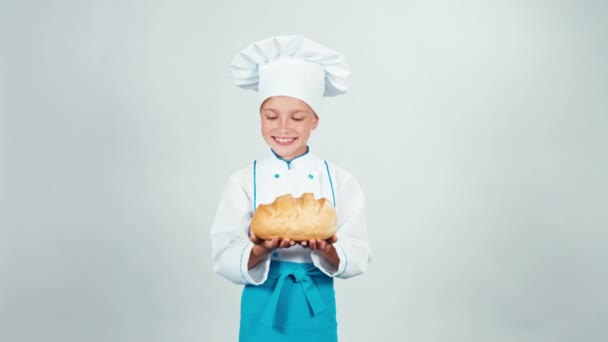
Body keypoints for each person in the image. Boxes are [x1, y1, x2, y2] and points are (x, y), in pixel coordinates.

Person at [210, 35, 372, 342]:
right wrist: (261, 249)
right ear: (260, 118)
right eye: (271, 117)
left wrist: (328, 250)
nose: (283, 128)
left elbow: (358, 251)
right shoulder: (243, 180)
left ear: (315, 121)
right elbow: (224, 253)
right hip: (263, 297)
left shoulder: (339, 180)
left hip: (315, 299)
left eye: (297, 118)